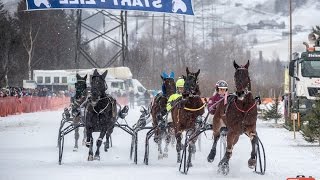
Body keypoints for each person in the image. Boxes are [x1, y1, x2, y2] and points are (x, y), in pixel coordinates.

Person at [207, 80, 228, 162]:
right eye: (221, 89)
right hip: (216, 117)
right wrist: (212, 107)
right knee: (212, 117)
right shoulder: (213, 98)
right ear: (217, 89)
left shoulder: (228, 98)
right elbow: (209, 109)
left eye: (224, 89)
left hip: (226, 118)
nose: (222, 91)